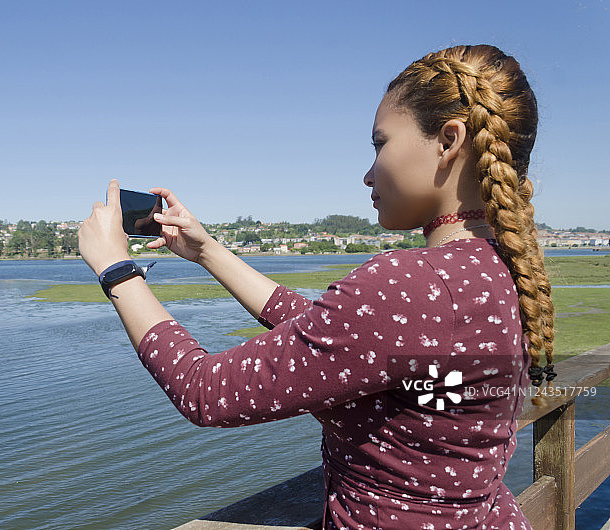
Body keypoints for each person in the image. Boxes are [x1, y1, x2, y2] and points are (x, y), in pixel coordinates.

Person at [78, 44, 556, 529]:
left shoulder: (410, 284)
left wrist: (116, 268)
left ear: (449, 139)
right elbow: (335, 338)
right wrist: (207, 251)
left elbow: (207, 391)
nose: (368, 173)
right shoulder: (502, 267)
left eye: (379, 143)